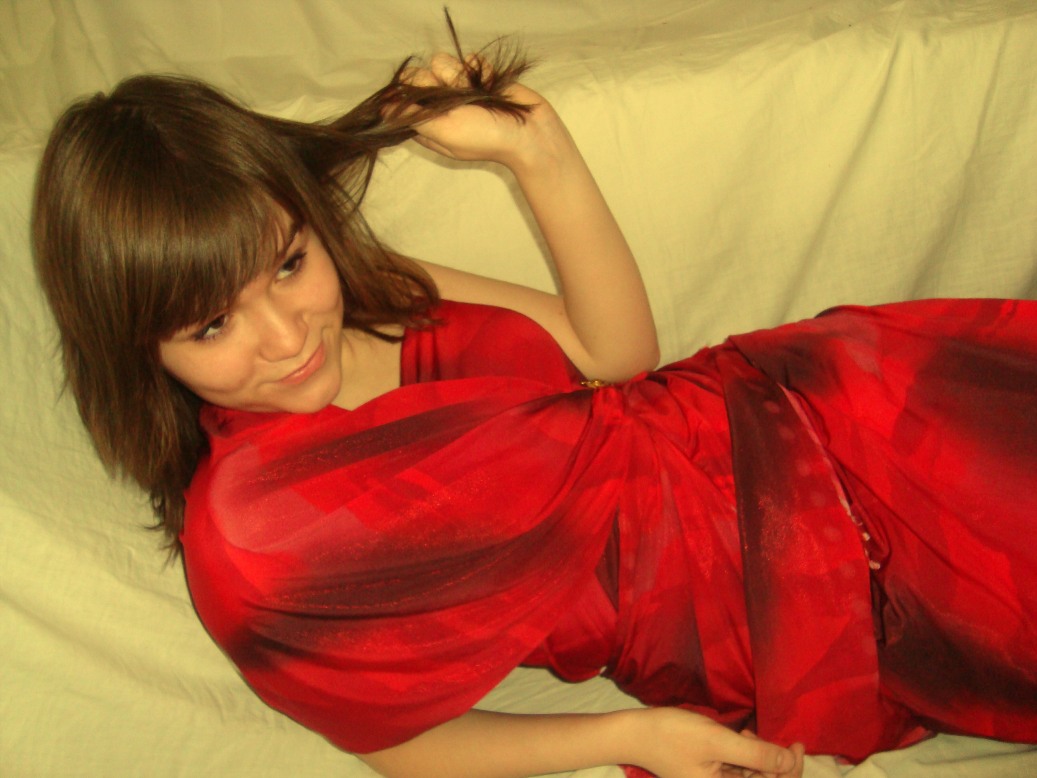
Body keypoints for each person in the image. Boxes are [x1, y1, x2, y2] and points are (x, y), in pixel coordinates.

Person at [31, 29, 1037, 778]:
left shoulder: (375, 288)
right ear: (137, 351)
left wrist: (536, 150)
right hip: (768, 595)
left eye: (289, 263)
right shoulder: (257, 543)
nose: (286, 335)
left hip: (809, 402)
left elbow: (616, 358)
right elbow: (394, 741)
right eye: (212, 325)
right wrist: (628, 735)